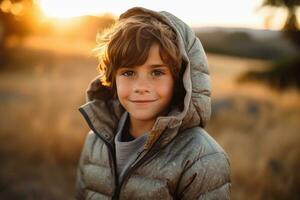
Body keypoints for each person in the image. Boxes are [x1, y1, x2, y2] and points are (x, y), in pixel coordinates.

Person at [75, 6, 231, 200]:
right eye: (128, 73)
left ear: (179, 80)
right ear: (112, 78)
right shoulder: (95, 141)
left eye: (157, 72)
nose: (141, 87)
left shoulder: (202, 159)